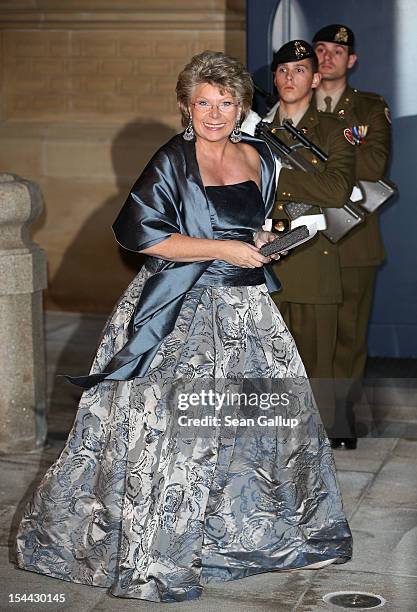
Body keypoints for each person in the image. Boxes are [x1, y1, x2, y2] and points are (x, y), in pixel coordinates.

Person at [15, 51, 352, 603]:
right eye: (203, 103)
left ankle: (233, 540)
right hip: (179, 312)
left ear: (242, 106)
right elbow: (144, 236)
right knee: (174, 440)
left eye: (225, 103)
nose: (214, 113)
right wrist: (224, 248)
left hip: (246, 315)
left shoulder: (260, 157)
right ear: (185, 107)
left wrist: (263, 244)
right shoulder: (173, 159)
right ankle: (158, 554)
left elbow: (253, 227)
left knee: (259, 433)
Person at [242, 41, 355, 440]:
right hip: (258, 262)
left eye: (300, 70)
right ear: (274, 77)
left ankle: (312, 455)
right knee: (260, 367)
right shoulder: (251, 130)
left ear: (316, 77)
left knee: (314, 370)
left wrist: (273, 174)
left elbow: (338, 189)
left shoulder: (332, 130)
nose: (290, 78)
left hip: (311, 260)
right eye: (283, 71)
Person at [312, 24, 392, 448]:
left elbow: (375, 163)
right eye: (320, 50)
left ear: (352, 60)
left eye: (337, 52)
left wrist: (325, 154)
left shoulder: (368, 107)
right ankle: (310, 416)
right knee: (308, 331)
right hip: (305, 241)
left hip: (354, 239)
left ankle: (341, 416)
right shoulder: (294, 105)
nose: (328, 58)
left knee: (348, 334)